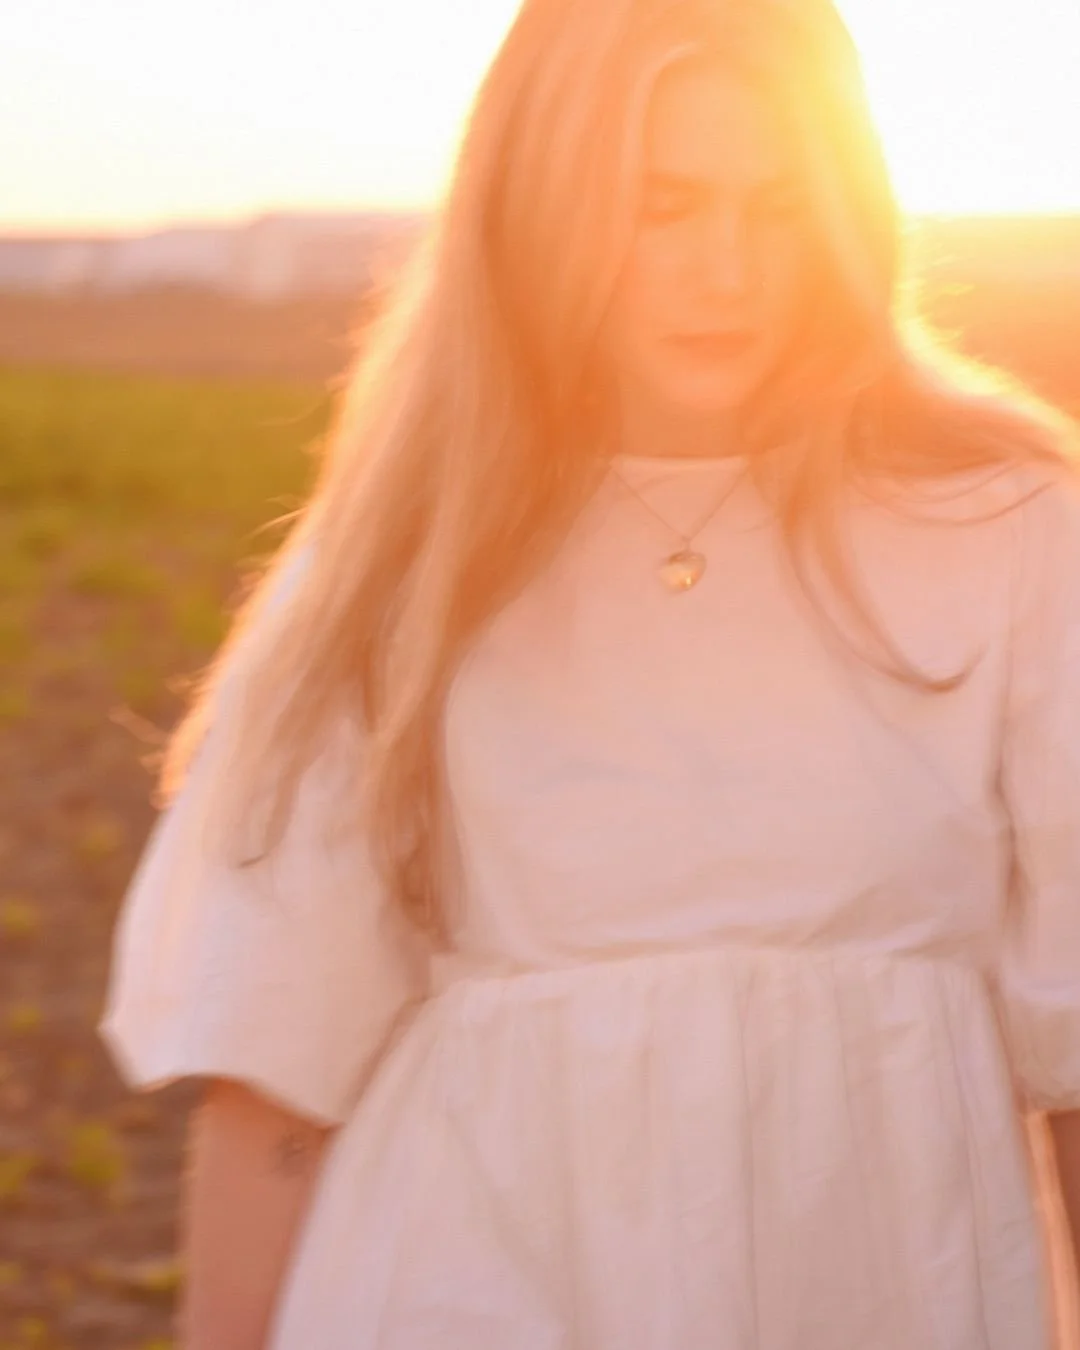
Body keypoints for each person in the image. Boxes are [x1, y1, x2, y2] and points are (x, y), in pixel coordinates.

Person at [98, 0, 1080, 1346]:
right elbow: (276, 1072)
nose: (728, 267)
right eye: (659, 203)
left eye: (780, 204)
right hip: (458, 1283)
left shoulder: (1008, 524)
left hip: (877, 1287)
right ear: (541, 206)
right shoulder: (400, 562)